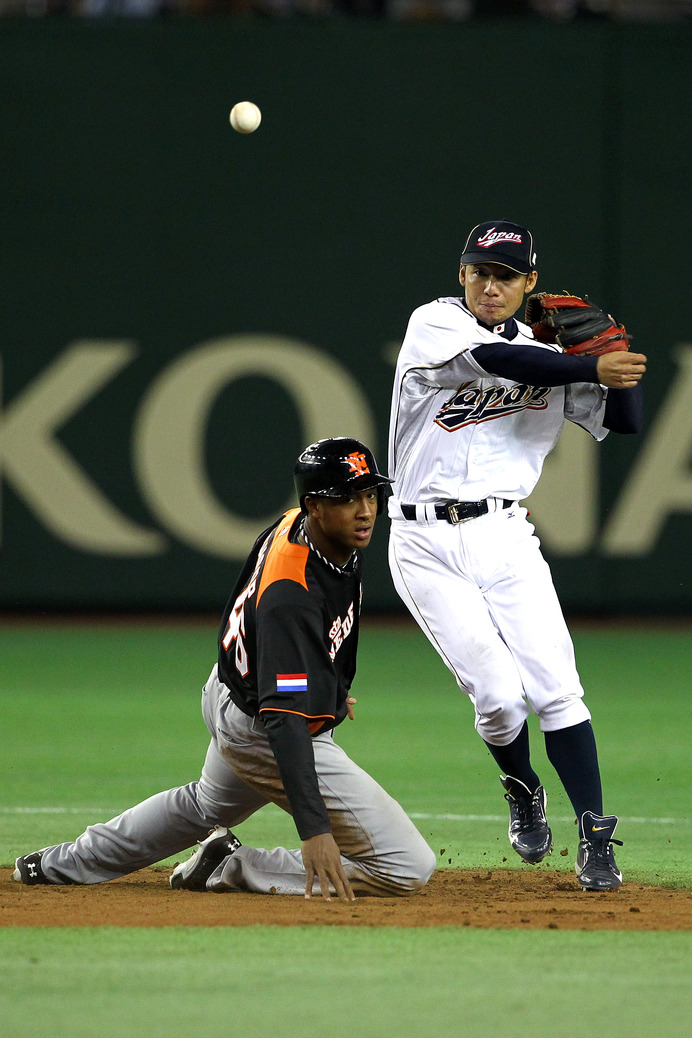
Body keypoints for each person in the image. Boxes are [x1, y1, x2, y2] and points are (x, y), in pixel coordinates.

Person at [14, 437, 436, 902]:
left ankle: (59, 863)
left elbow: (265, 616)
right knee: (407, 866)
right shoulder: (291, 594)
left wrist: (325, 683)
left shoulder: (297, 526)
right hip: (265, 728)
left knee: (204, 804)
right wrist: (313, 830)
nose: (364, 510)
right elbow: (285, 719)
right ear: (315, 505)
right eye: (347, 498)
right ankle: (236, 865)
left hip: (231, 690)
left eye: (370, 494)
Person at [387, 220, 646, 891]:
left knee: (558, 689)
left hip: (505, 535)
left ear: (530, 282)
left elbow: (625, 423)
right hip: (425, 540)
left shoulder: (549, 348)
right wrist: (591, 364)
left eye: (506, 276)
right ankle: (523, 786)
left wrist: (616, 365)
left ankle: (595, 833)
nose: (491, 287)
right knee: (500, 700)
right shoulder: (436, 324)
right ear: (461, 274)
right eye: (480, 272)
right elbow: (504, 363)